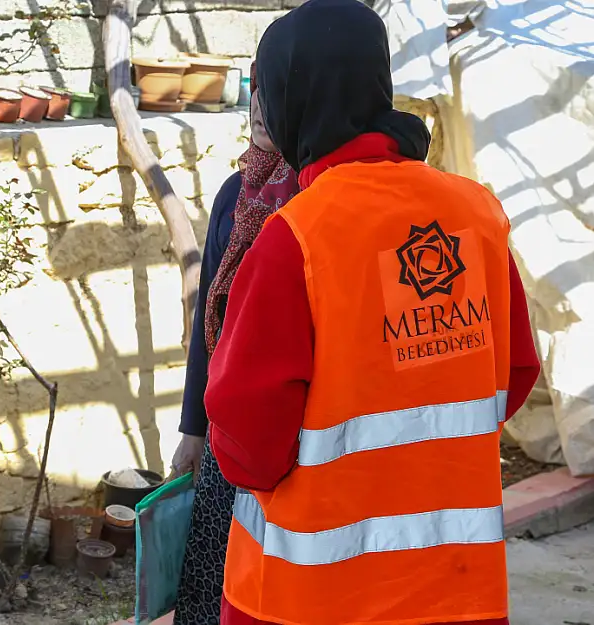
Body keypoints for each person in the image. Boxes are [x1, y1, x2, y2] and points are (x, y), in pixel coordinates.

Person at [203, 1, 541, 624]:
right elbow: (515, 372)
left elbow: (249, 443)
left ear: (289, 99)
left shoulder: (295, 238)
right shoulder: (477, 213)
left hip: (312, 597)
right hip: (455, 585)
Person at [170, 61, 299, 625]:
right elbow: (210, 319)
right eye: (255, 93)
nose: (261, 111)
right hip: (229, 428)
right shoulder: (236, 192)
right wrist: (192, 430)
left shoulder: (313, 199)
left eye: (277, 95)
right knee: (212, 580)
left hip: (291, 433)